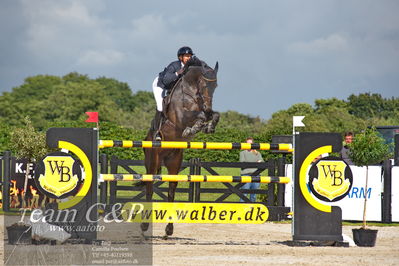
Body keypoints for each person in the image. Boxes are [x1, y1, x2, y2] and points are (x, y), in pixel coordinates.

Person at [151, 46, 194, 140]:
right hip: (161, 85)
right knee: (160, 107)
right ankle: (156, 132)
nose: (189, 58)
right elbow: (166, 80)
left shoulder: (190, 67)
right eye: (186, 56)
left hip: (172, 87)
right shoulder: (174, 65)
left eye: (190, 56)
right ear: (180, 57)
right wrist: (177, 73)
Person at [239, 137, 264, 202]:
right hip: (246, 175)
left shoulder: (257, 153)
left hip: (256, 175)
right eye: (248, 143)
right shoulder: (243, 153)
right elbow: (243, 163)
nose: (249, 145)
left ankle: (252, 208)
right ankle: (242, 208)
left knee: (254, 195)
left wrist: (251, 164)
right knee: (244, 194)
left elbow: (261, 162)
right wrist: (256, 163)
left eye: (250, 143)